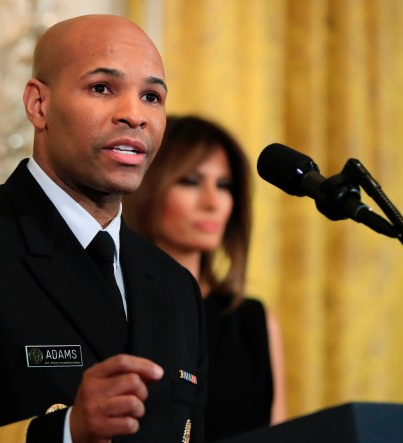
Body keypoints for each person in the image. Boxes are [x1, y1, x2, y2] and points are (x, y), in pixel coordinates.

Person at [0, 14, 206, 443]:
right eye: (102, 88)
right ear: (38, 105)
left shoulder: (175, 285)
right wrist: (65, 431)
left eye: (152, 96)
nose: (134, 115)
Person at [123, 115, 287, 441]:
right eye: (191, 181)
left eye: (224, 186)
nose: (213, 203)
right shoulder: (117, 302)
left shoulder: (255, 322)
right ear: (147, 186)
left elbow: (278, 432)